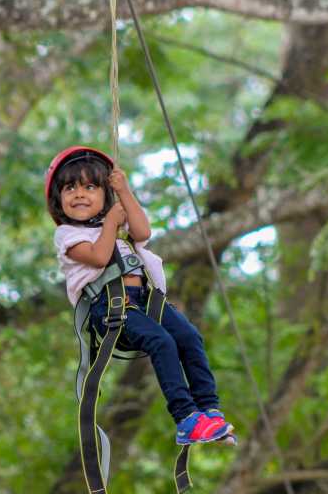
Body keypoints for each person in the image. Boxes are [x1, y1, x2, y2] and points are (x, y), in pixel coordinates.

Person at [45, 145, 235, 445]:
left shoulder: (117, 227)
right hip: (110, 308)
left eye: (90, 187)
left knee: (188, 336)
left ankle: (209, 409)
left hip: (146, 300)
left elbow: (143, 231)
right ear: (59, 199)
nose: (79, 194)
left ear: (104, 195)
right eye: (70, 188)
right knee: (161, 341)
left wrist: (124, 193)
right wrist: (110, 222)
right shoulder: (68, 235)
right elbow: (98, 257)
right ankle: (186, 418)